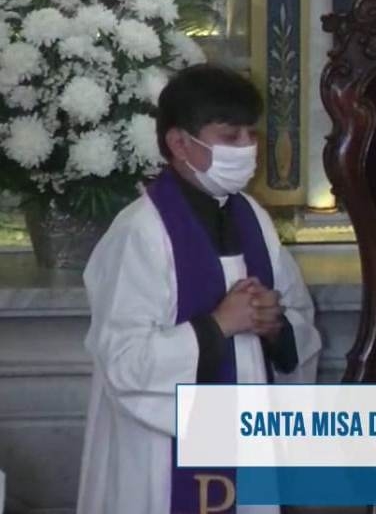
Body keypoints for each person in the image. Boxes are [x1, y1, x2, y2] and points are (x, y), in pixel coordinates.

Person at [77, 65, 322, 514]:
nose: (246, 148)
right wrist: (216, 327)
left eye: (251, 134)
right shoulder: (141, 231)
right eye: (230, 136)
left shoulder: (253, 217)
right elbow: (123, 362)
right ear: (179, 142)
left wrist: (275, 328)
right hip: (158, 458)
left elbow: (298, 321)